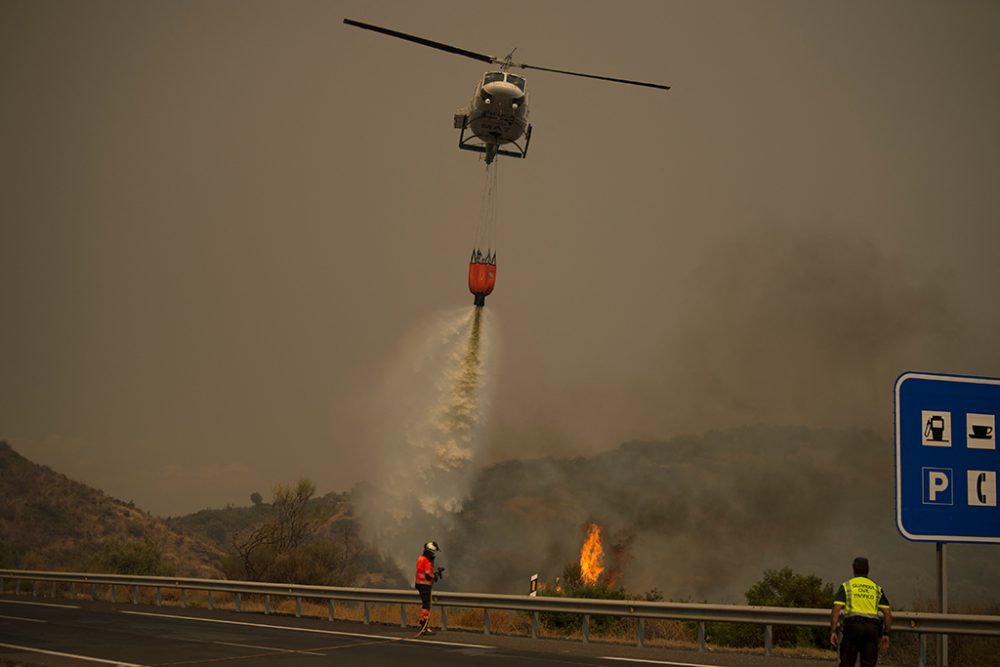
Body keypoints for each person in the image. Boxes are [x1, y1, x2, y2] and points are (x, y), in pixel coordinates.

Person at [830, 556, 892, 667]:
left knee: (847, 663)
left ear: (853, 569)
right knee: (868, 664)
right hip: (872, 629)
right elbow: (887, 613)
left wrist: (833, 631)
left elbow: (836, 609)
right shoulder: (876, 588)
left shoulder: (847, 586)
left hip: (852, 627)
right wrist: (886, 633)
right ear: (868, 569)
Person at [415, 541, 443, 633]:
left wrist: (434, 574)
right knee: (426, 605)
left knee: (425, 604)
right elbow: (427, 574)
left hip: (419, 584)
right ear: (431, 551)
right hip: (425, 585)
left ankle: (424, 623)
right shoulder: (426, 561)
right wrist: (434, 576)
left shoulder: (420, 558)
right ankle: (424, 624)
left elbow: (424, 572)